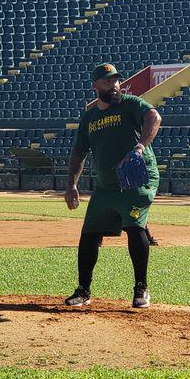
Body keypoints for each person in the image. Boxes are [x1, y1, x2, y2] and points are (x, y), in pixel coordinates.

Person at [64, 63, 162, 309]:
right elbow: (79, 151)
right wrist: (71, 185)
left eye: (116, 80)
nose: (115, 85)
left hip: (136, 180)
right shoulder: (90, 117)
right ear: (96, 86)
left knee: (134, 227)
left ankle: (141, 288)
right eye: (108, 81)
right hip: (107, 185)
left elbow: (154, 116)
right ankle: (84, 291)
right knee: (89, 235)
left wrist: (140, 147)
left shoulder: (130, 104)